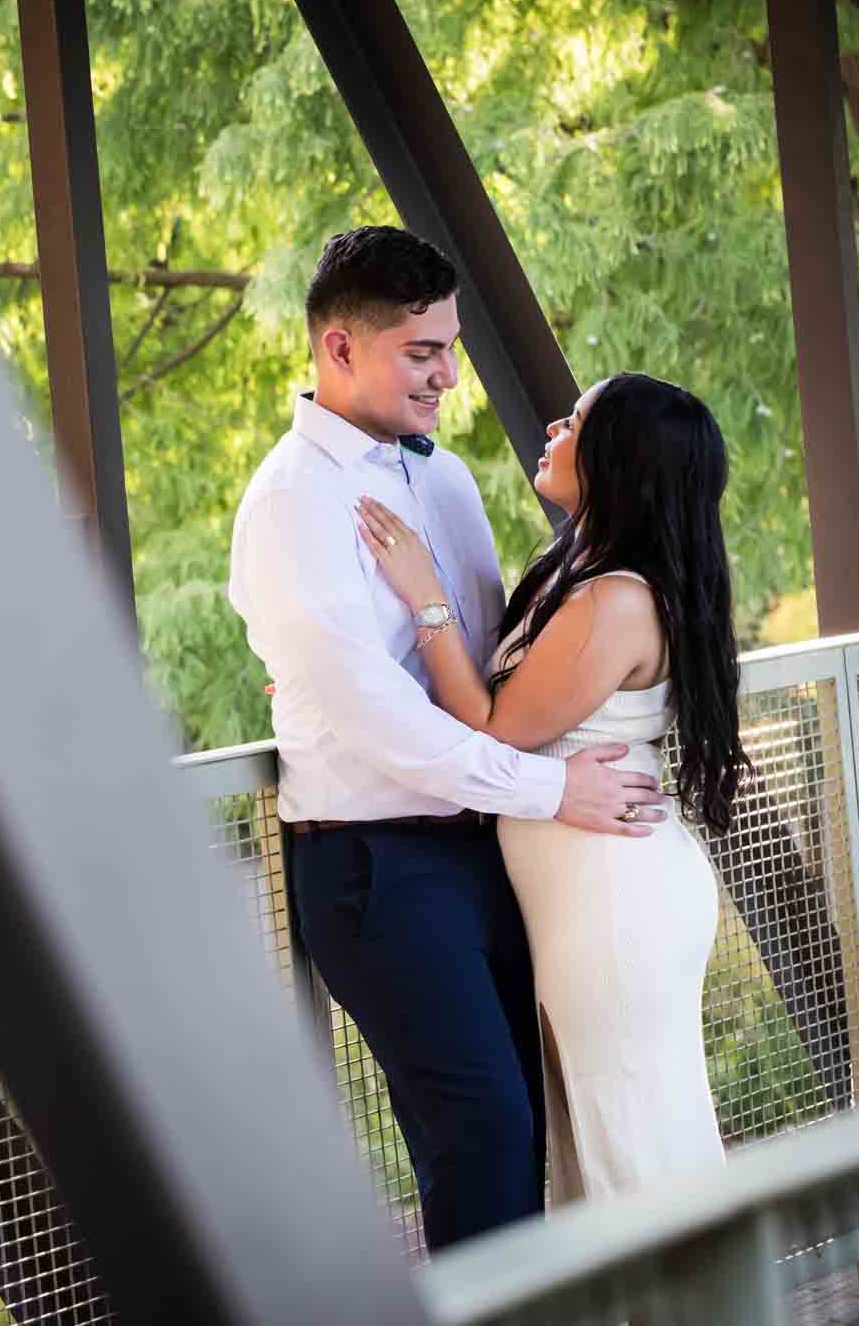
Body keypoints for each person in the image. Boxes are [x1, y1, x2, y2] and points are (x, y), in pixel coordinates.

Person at [227, 226, 668, 1250]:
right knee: (479, 1132)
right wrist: (549, 789)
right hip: (376, 866)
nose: (447, 375)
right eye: (421, 352)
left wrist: (538, 779)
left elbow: (485, 668)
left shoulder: (450, 479)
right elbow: (372, 716)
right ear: (337, 348)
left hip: (486, 846)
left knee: (530, 1130)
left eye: (451, 346)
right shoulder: (292, 502)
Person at [355, 370, 748, 1201]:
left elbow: (496, 726)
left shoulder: (614, 600)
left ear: (617, 458)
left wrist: (426, 601)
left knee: (633, 1150)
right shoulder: (590, 573)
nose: (553, 426)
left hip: (614, 901)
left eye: (576, 421)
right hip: (599, 893)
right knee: (621, 1139)